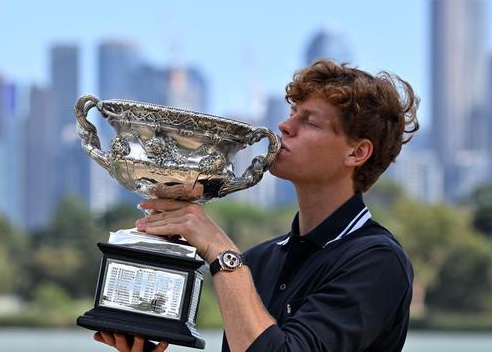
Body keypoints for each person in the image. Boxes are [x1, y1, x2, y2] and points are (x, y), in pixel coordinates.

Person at [95, 58, 419, 352]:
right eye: (292, 113)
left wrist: (221, 252)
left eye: (309, 121)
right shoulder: (261, 260)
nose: (285, 126)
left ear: (357, 153)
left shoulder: (377, 261)